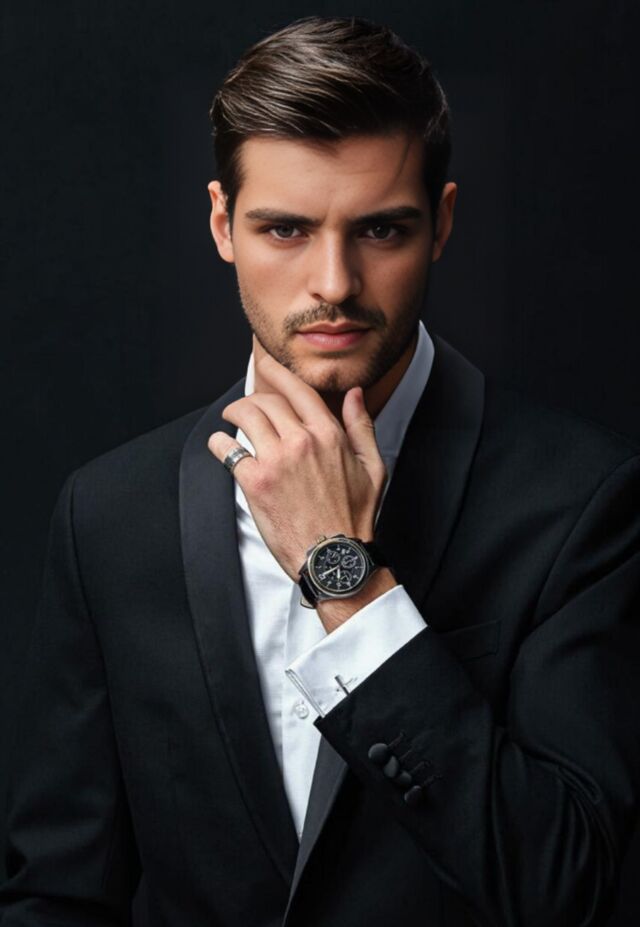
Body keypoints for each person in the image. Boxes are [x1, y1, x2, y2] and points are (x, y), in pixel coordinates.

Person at [1, 15, 639, 927]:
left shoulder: (584, 502)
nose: (334, 282)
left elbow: (568, 888)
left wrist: (348, 580)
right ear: (222, 224)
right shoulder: (109, 514)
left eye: (380, 229)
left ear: (441, 223)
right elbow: (57, 895)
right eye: (286, 229)